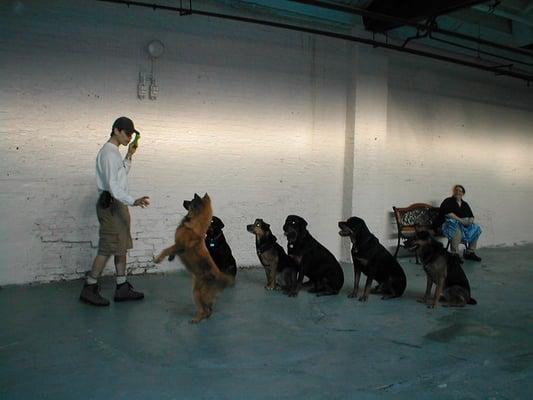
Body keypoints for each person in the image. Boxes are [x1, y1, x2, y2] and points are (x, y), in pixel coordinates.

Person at [80, 117, 150, 306]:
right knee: (108, 247)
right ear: (117, 130)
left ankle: (122, 286)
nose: (129, 137)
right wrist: (132, 200)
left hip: (117, 204)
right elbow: (113, 186)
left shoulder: (115, 153)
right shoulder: (108, 154)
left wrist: (129, 156)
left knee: (121, 246)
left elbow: (119, 177)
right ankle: (89, 287)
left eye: (132, 135)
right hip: (111, 205)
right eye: (127, 134)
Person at [436, 184, 482, 262]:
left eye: (460, 191)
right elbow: (448, 213)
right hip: (447, 225)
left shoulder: (465, 204)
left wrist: (470, 222)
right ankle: (454, 254)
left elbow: (471, 216)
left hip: (462, 225)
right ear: (453, 192)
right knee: (455, 228)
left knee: (476, 228)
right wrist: (461, 221)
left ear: (463, 193)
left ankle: (470, 253)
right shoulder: (448, 201)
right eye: (456, 190)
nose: (458, 192)